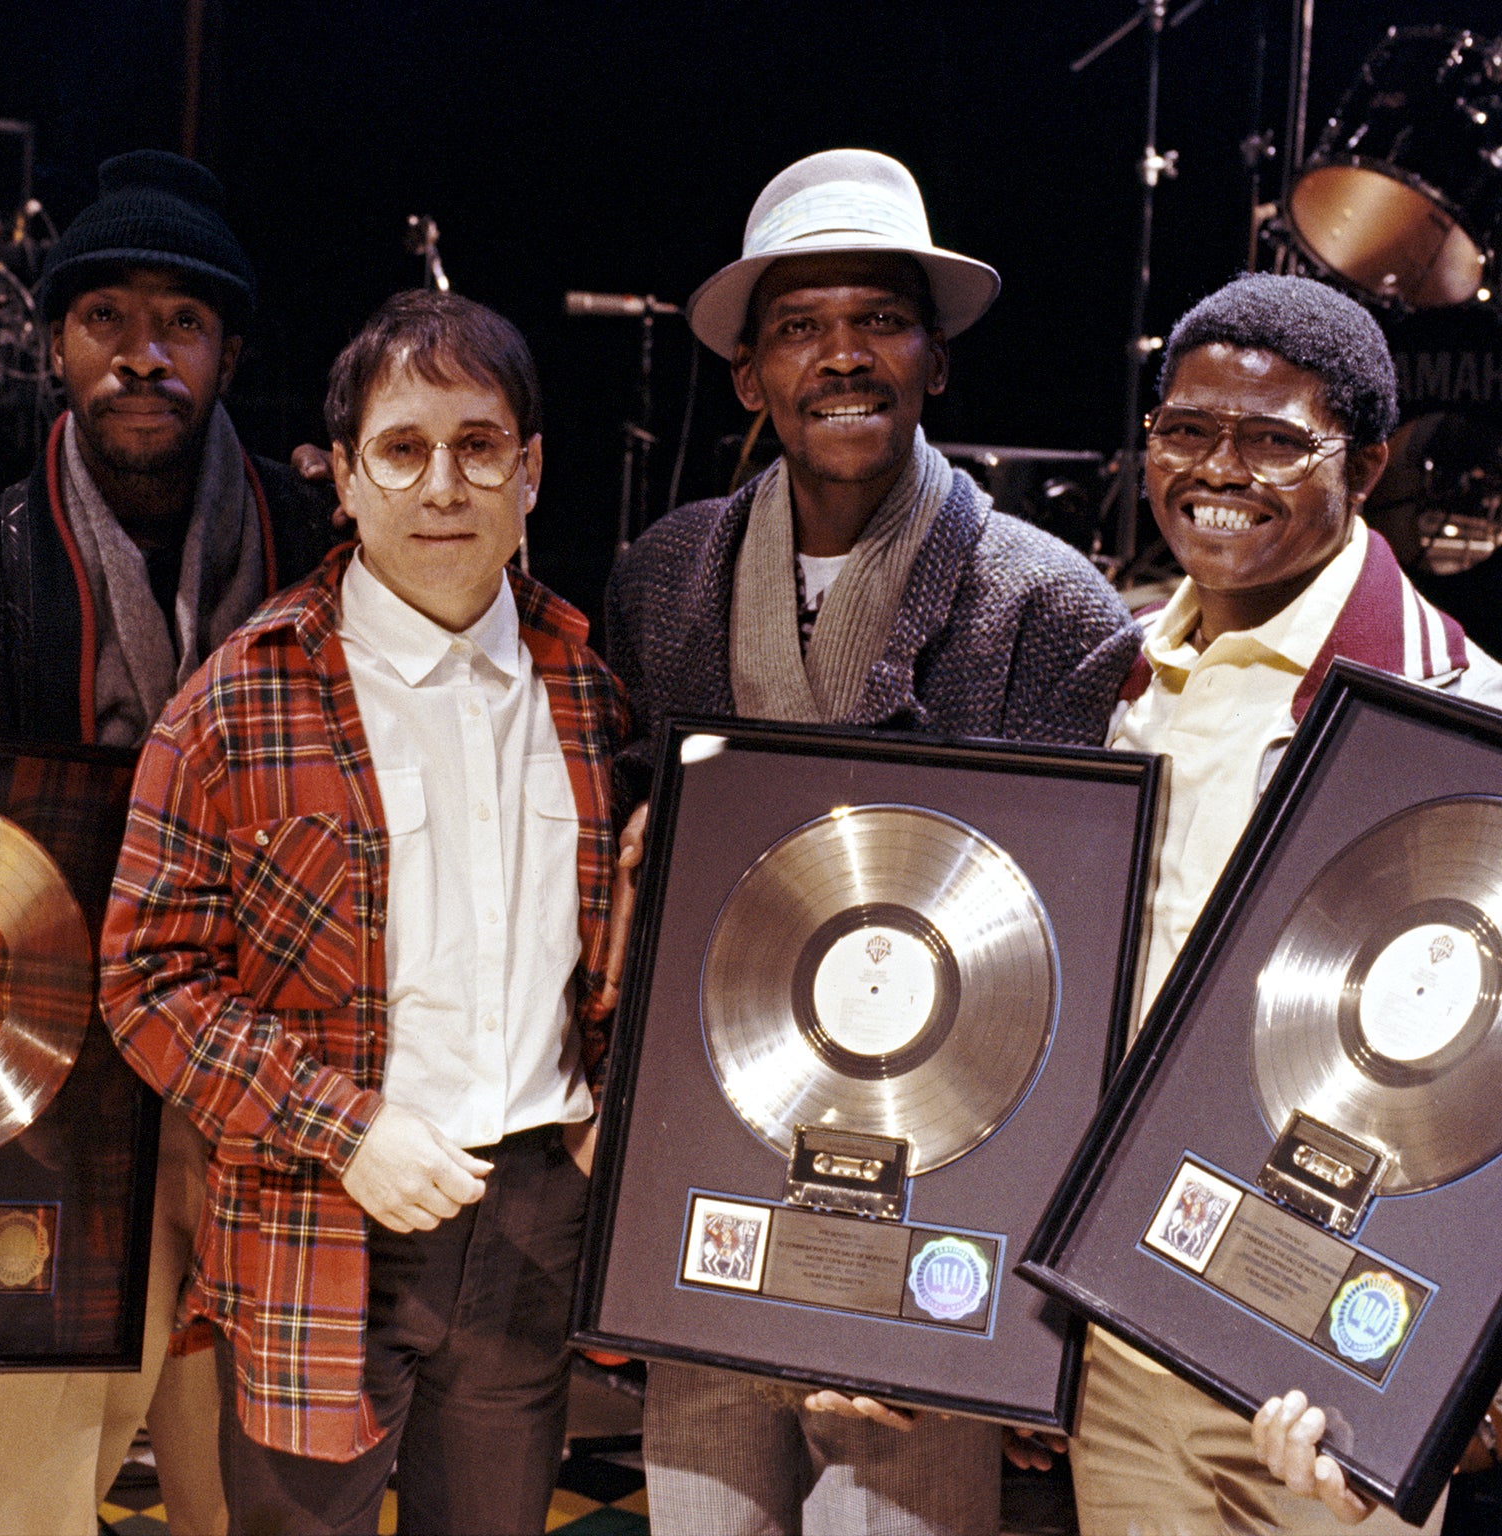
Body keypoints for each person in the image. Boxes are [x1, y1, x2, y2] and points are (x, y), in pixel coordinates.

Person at [603, 148, 1142, 1536]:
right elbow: (637, 891)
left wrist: (994, 1321)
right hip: (712, 1174)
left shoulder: (1049, 606)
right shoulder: (664, 580)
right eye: (799, 329)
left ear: (936, 360)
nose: (843, 358)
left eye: (879, 321)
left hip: (930, 1201)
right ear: (747, 376)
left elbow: (1062, 979)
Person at [0, 149, 333, 1536]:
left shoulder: (328, 554)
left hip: (266, 1098)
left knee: (255, 1507)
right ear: (58, 346)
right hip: (45, 1112)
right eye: (107, 319)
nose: (144, 355)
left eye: (180, 322)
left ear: (229, 351)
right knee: (21, 1507)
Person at [100, 289, 627, 1536]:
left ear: (531, 470)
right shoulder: (236, 702)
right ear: (342, 477)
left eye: (477, 445)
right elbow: (145, 979)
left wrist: (617, 1112)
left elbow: (614, 952)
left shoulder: (593, 696)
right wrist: (342, 1130)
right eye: (401, 449)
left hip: (533, 1215)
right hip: (315, 1210)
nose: (442, 484)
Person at [1073, 271, 1502, 1534]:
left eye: (1273, 442)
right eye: (1186, 430)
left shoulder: (1459, 718)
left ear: (1362, 467)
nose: (1218, 471)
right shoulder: (1114, 677)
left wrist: (1468, 1392)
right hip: (1128, 1339)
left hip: (1340, 1370)